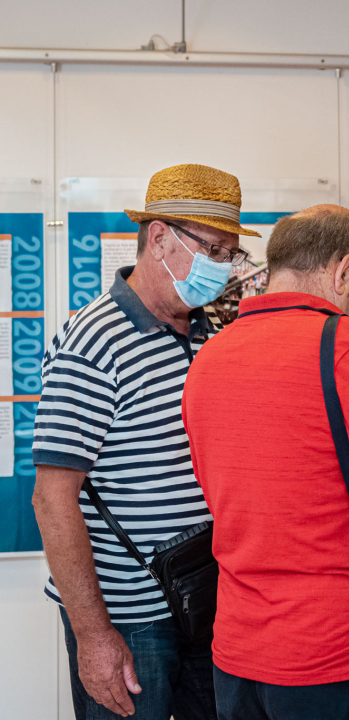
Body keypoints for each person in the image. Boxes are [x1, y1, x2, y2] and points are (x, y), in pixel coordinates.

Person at [182, 204, 349, 719]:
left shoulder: (209, 357)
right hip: (336, 657)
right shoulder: (345, 343)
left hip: (237, 655)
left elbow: (265, 472)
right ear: (343, 269)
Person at [31, 164, 257, 719]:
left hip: (203, 598)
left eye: (230, 254)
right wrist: (94, 636)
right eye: (213, 250)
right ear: (158, 238)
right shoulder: (92, 341)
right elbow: (53, 498)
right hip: (128, 620)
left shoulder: (208, 333)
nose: (222, 266)